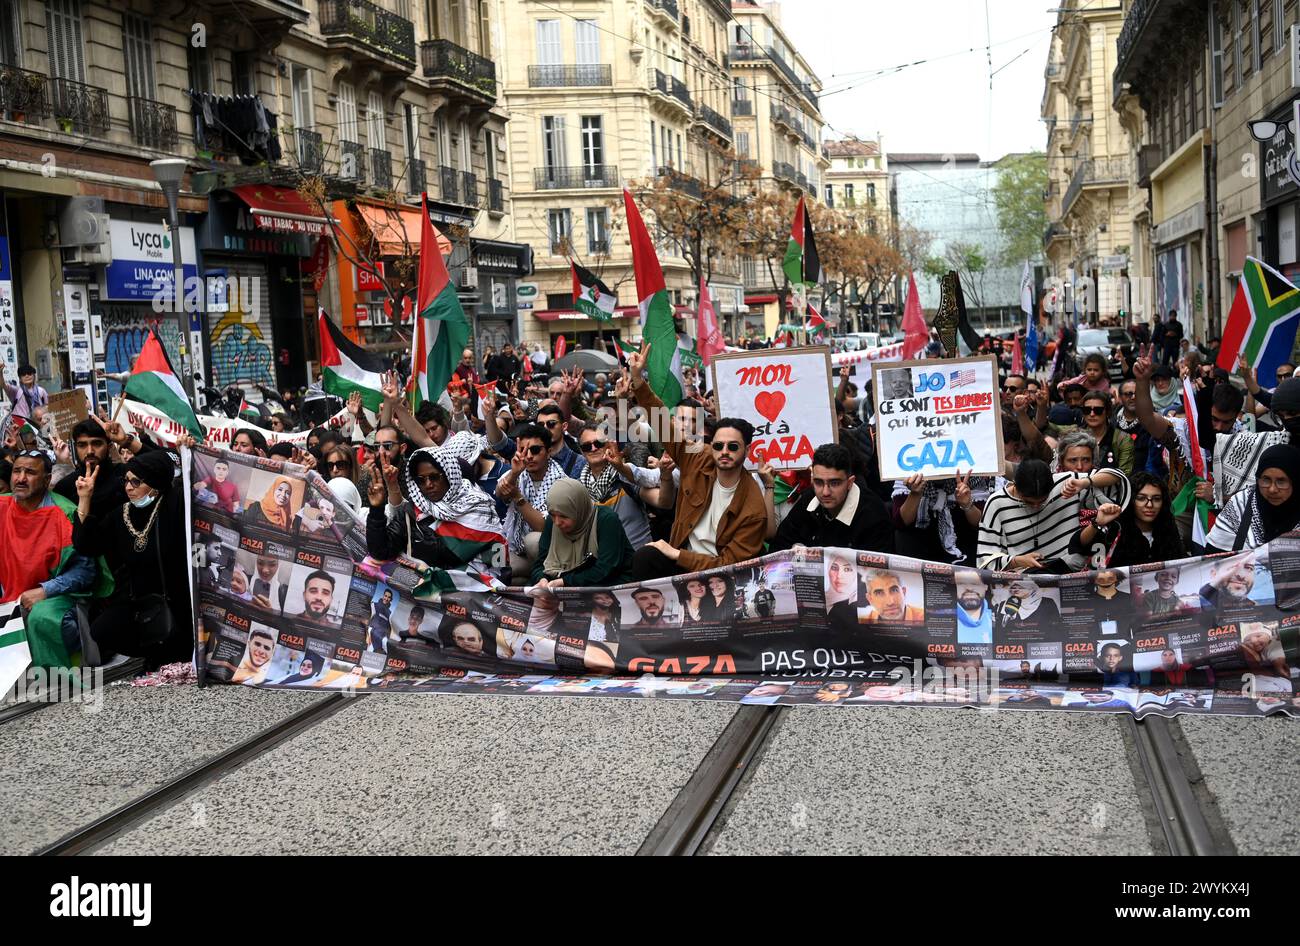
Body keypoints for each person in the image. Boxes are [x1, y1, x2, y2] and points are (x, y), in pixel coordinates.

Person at [625, 342, 766, 578]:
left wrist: (678, 555)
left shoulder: (753, 506)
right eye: (718, 445)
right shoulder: (698, 458)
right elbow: (663, 425)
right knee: (644, 557)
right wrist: (638, 380)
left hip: (720, 575)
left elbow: (730, 563)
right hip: (680, 560)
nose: (724, 452)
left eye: (733, 447)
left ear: (747, 451)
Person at [72, 450, 192, 666]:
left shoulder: (175, 505)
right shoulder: (121, 514)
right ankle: (154, 654)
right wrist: (84, 499)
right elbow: (86, 545)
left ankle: (173, 652)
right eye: (126, 480)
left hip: (179, 600)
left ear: (155, 483)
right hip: (139, 602)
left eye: (136, 482)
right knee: (102, 629)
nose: (128, 487)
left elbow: (169, 466)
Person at [0, 449, 106, 667]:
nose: (20, 478)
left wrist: (45, 590)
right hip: (9, 599)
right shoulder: (1, 506)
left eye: (30, 472)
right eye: (16, 471)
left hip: (55, 598)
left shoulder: (65, 512)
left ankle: (64, 669)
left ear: (47, 479)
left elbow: (85, 572)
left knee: (42, 618)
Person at [977, 458, 1130, 572]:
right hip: (1023, 580)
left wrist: (1086, 482)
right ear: (1015, 486)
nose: (1037, 506)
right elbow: (985, 562)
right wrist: (1017, 561)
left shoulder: (1065, 484)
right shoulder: (996, 503)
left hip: (1069, 571)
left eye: (1042, 501)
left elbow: (1118, 478)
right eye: (1029, 502)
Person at [366, 445, 504, 570]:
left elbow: (499, 565)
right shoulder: (412, 512)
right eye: (421, 480)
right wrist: (376, 509)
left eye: (434, 477)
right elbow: (380, 552)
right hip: (423, 591)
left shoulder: (481, 507)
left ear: (450, 475)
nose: (428, 484)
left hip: (472, 592)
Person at [769, 443, 892, 553]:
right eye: (818, 482)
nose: (825, 492)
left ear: (850, 482)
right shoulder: (809, 499)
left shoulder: (874, 514)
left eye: (834, 483)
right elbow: (779, 547)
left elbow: (880, 574)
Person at [531, 478, 634, 588]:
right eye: (552, 515)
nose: (557, 522)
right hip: (562, 581)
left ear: (579, 511)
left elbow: (606, 568)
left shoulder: (606, 520)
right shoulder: (551, 523)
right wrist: (542, 579)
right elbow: (540, 564)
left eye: (564, 516)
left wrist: (565, 582)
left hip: (608, 581)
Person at [495, 423, 566, 575]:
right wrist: (514, 474)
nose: (528, 456)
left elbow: (543, 527)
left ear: (548, 452)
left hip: (551, 553)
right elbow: (499, 493)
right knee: (495, 559)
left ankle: (543, 576)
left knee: (533, 541)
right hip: (519, 548)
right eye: (523, 450)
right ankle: (525, 578)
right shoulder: (520, 472)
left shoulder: (561, 482)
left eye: (535, 450)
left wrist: (517, 497)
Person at [1205, 444, 1300, 552]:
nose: (1272, 489)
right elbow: (1213, 559)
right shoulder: (1241, 505)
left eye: (1281, 481)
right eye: (1266, 480)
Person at [1085, 472, 1188, 567]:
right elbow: (1078, 547)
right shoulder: (1115, 528)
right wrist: (1097, 523)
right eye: (1141, 498)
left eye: (1156, 499)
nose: (1149, 505)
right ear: (1130, 500)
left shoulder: (1168, 528)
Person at [52, 419, 127, 519]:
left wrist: (126, 441)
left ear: (109, 447)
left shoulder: (126, 475)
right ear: (75, 448)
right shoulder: (65, 486)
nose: (90, 451)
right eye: (82, 445)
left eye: (97, 444)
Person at [1077, 391, 1134, 475]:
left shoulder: (1122, 439)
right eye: (1087, 410)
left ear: (1107, 412)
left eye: (1098, 410)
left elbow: (1124, 474)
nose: (1092, 414)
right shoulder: (1074, 436)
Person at [993, 576, 1060, 630]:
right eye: (1013, 587)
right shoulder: (1003, 604)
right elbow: (999, 628)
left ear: (1031, 589)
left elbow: (1056, 626)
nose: (1016, 590)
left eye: (1020, 587)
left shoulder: (1047, 602)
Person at [953, 568, 993, 643]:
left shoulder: (998, 617)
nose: (969, 588)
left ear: (985, 587)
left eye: (975, 583)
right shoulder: (941, 618)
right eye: (961, 583)